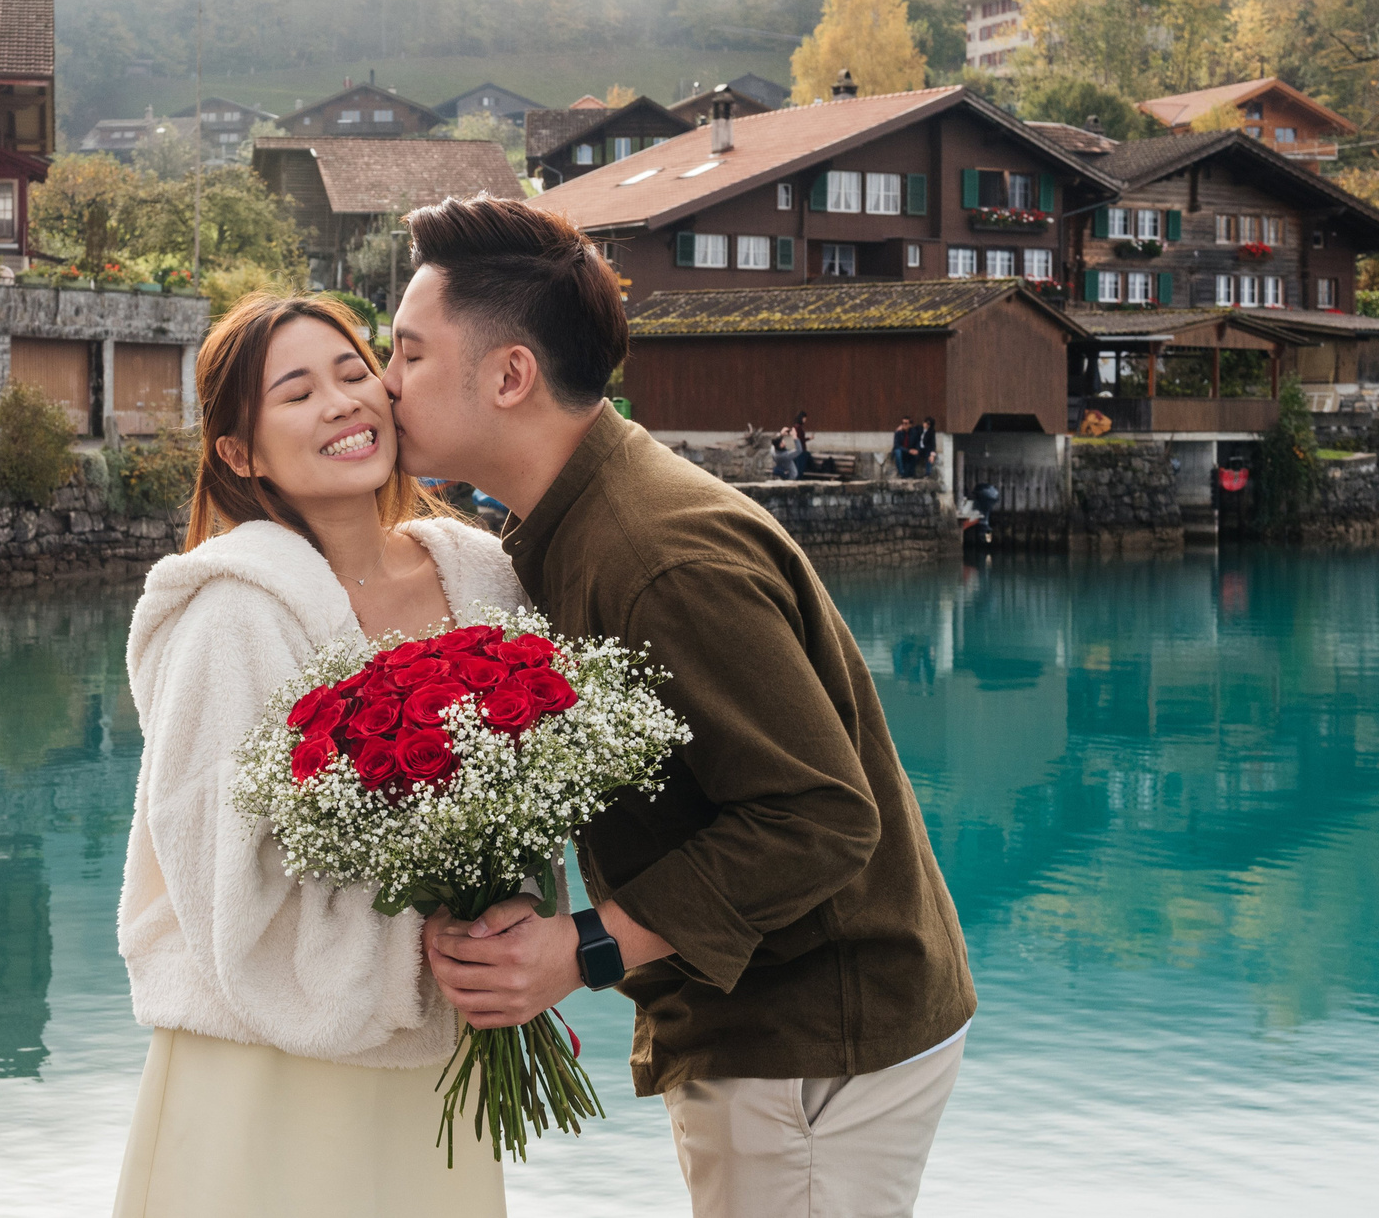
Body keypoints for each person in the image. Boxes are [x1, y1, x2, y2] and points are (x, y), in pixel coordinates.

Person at [381, 196, 975, 1218]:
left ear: (509, 374)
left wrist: (582, 946)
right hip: (778, 1017)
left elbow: (819, 817)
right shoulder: (579, 523)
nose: (383, 384)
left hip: (812, 1034)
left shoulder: (655, 555)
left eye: (407, 354)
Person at [112, 293, 523, 1218]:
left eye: (352, 373)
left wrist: (510, 930)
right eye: (297, 392)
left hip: (437, 1051)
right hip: (267, 1062)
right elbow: (221, 881)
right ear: (240, 454)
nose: (342, 402)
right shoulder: (232, 616)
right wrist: (410, 946)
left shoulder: (481, 575)